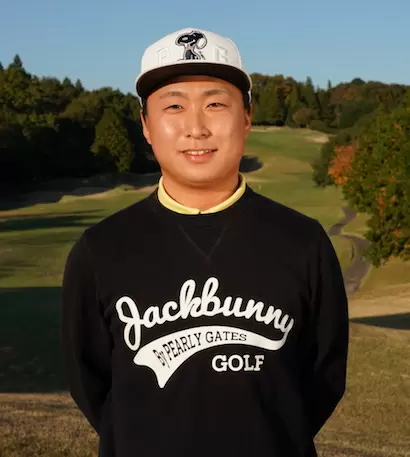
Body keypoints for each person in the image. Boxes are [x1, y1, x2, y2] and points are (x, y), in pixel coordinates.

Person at [61, 27, 349, 457]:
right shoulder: (100, 249)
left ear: (246, 117)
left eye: (215, 104)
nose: (196, 128)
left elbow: (323, 377)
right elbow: (91, 384)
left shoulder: (303, 241)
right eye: (173, 106)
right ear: (146, 125)